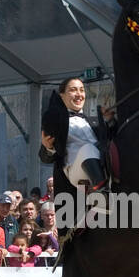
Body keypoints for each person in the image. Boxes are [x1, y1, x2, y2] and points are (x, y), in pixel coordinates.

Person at [40, 77, 106, 233]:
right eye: (73, 89)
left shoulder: (95, 121)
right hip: (73, 172)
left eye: (82, 90)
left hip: (99, 166)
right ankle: (102, 195)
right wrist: (48, 147)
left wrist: (109, 123)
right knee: (87, 149)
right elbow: (44, 157)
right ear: (62, 95)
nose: (79, 94)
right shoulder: (56, 122)